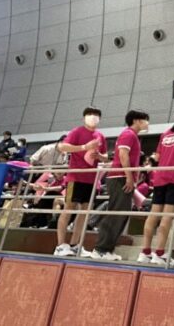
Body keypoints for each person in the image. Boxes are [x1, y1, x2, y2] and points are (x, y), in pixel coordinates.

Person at [137, 108, 174, 265]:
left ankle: (145, 252)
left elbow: (157, 157)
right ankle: (159, 253)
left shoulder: (165, 134)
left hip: (160, 178)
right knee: (167, 216)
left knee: (154, 214)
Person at [91, 110, 149, 261]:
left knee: (121, 214)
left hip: (122, 177)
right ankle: (101, 249)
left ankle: (107, 249)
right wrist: (129, 177)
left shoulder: (132, 135)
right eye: (145, 120)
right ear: (136, 120)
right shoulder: (128, 134)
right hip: (120, 178)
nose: (147, 123)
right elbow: (123, 155)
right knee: (116, 214)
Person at [54, 107, 108, 257]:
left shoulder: (100, 136)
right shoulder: (77, 131)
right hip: (75, 177)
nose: (93, 117)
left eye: (96, 115)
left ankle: (75, 245)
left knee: (84, 212)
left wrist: (100, 157)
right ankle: (60, 246)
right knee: (69, 208)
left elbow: (105, 156)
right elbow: (62, 147)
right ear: (83, 117)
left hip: (92, 179)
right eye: (90, 114)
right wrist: (84, 147)